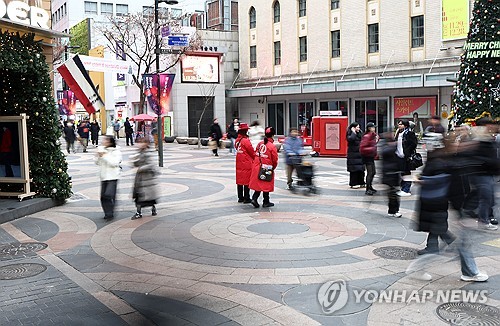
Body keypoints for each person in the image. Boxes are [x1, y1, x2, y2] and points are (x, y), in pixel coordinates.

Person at [415, 133, 456, 255]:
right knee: (435, 222)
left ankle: (449, 243)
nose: (425, 145)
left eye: (427, 143)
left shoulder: (439, 159)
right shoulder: (435, 157)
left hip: (435, 197)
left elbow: (441, 178)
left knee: (436, 222)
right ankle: (434, 246)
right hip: (433, 197)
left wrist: (423, 180)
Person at [249, 127, 278, 208]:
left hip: (257, 166)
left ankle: (254, 198)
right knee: (266, 184)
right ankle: (266, 201)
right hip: (267, 167)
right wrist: (273, 168)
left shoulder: (260, 143)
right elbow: (275, 159)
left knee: (259, 184)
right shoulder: (272, 146)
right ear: (273, 135)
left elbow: (255, 153)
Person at [131, 137, 159, 219]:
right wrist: (134, 162)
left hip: (147, 179)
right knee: (140, 196)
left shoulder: (148, 153)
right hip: (140, 179)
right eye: (139, 142)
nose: (140, 144)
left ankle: (150, 209)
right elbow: (136, 163)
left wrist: (141, 168)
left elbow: (151, 165)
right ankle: (139, 211)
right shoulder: (139, 152)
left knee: (145, 196)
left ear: (146, 144)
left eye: (142, 142)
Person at [95, 135, 122, 220]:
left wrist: (104, 156)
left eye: (105, 140)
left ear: (110, 142)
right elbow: (97, 163)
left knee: (109, 194)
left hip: (112, 176)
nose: (103, 141)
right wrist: (98, 156)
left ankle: (111, 211)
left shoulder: (116, 151)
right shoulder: (102, 149)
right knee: (103, 196)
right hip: (103, 176)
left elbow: (114, 163)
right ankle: (107, 213)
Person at [381, 132, 402, 218]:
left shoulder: (390, 147)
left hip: (392, 173)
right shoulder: (387, 148)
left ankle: (392, 210)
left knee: (393, 192)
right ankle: (394, 210)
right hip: (390, 173)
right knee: (393, 193)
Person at [395, 119, 417, 196]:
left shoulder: (409, 133)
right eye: (399, 124)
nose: (399, 125)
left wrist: (407, 152)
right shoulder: (398, 132)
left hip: (406, 157)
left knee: (407, 173)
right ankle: (403, 187)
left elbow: (413, 144)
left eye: (401, 124)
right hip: (399, 156)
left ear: (405, 125)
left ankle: (406, 189)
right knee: (402, 172)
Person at [234, 123, 254, 203]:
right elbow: (251, 151)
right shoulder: (246, 141)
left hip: (239, 162)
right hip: (246, 162)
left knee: (240, 180)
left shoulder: (237, 140)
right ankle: (246, 197)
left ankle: (240, 197)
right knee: (246, 181)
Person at [360, 122, 379, 195]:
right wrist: (373, 148)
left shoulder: (372, 135)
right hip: (367, 157)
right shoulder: (367, 136)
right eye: (373, 127)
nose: (374, 128)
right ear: (369, 128)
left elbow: (374, 143)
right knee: (370, 172)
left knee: (373, 172)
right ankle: (368, 188)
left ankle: (370, 186)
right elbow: (362, 148)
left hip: (371, 156)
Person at [346, 122, 365, 188]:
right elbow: (351, 139)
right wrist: (353, 132)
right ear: (353, 128)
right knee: (354, 170)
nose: (358, 128)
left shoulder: (360, 133)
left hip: (360, 154)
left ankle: (361, 182)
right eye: (357, 127)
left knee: (361, 170)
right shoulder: (350, 134)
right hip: (353, 155)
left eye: (359, 127)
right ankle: (353, 183)